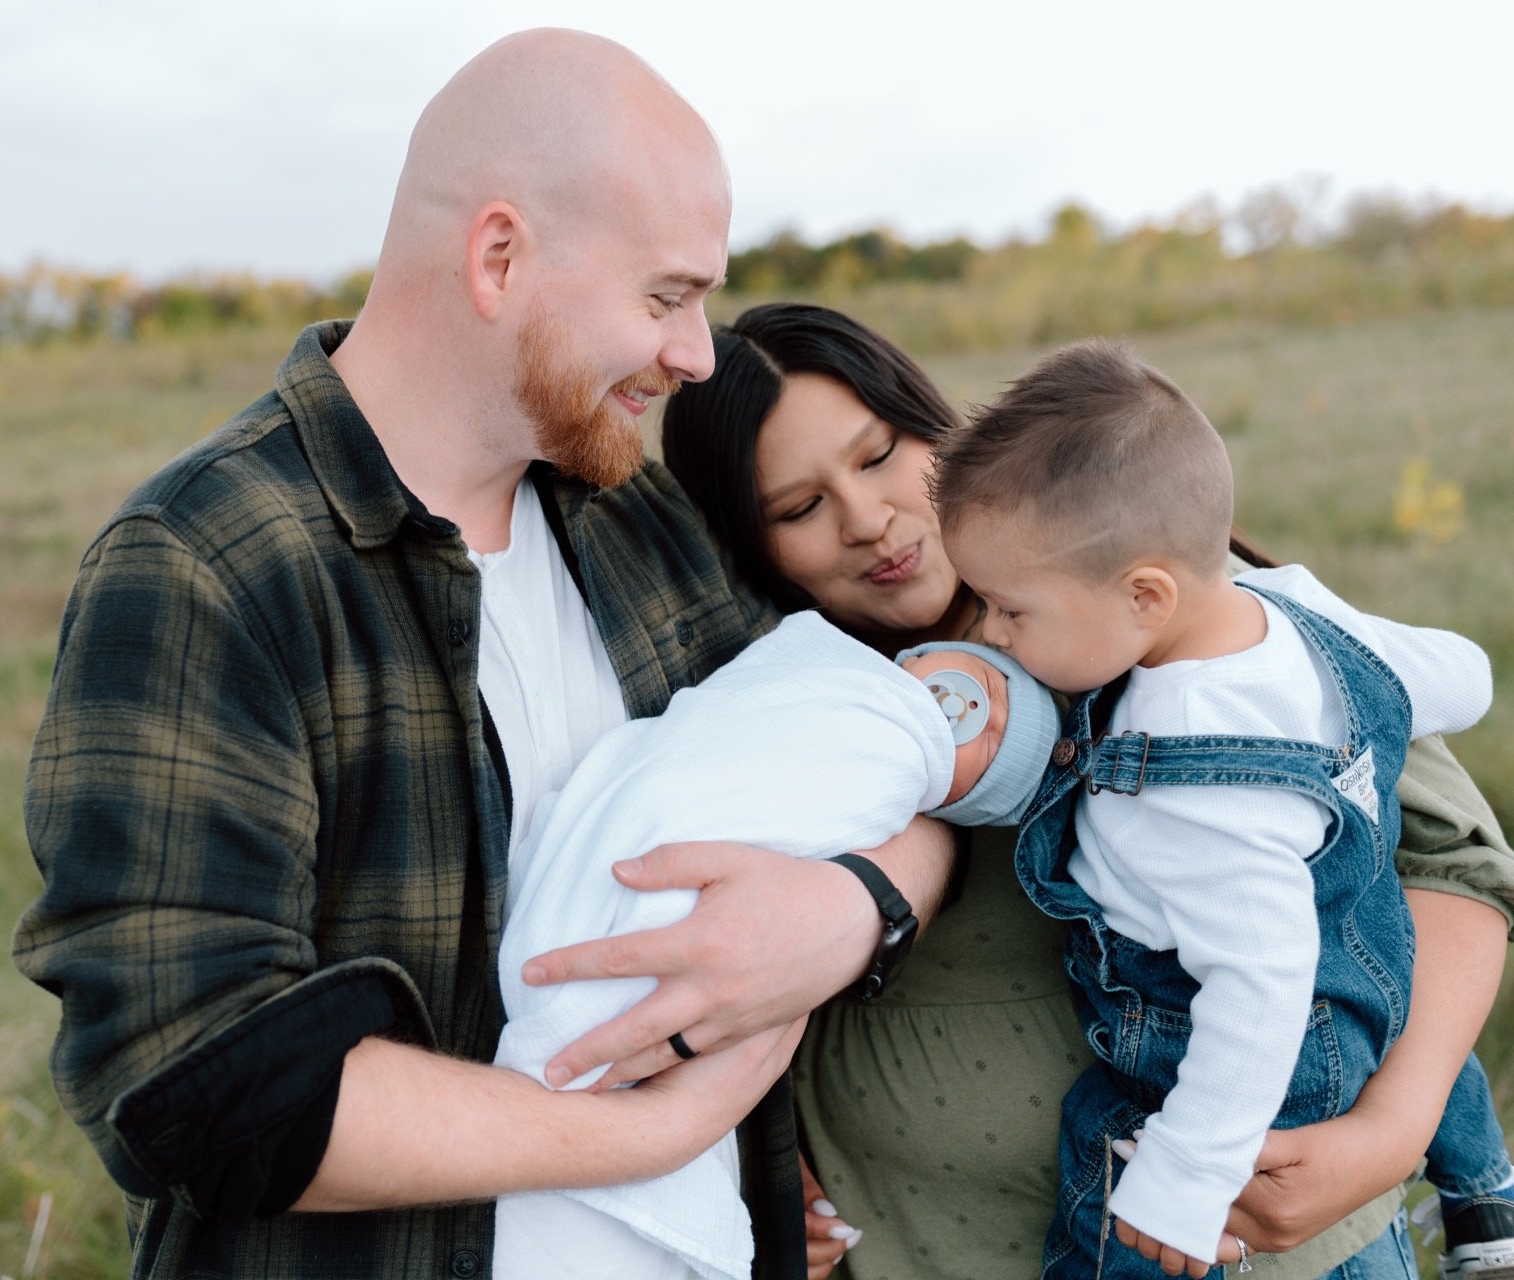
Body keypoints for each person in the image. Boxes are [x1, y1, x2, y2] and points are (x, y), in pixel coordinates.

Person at [13, 34, 953, 1279]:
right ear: (500, 255)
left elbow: (896, 753)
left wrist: (856, 904)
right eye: (666, 296)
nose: (698, 354)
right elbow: (189, 1079)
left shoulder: (646, 525)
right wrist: (633, 1129)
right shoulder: (207, 562)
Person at [659, 303, 1514, 1280]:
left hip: (1251, 1233)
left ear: (935, 425)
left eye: (880, 453)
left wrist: (1395, 1128)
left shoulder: (1156, 604)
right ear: (749, 543)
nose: (866, 519)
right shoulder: (772, 702)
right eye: (798, 508)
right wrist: (760, 1150)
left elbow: (1453, 860)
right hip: (923, 1242)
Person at [929, 338, 1510, 1278]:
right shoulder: (1293, 609)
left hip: (1239, 1046)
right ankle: (1489, 1197)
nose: (991, 630)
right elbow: (1460, 676)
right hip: (1365, 966)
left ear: (1145, 594)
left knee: (1108, 1157)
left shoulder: (1186, 792)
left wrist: (1189, 1173)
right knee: (1385, 984)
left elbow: (1259, 979)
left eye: (1008, 609)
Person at [492, 619, 1061, 1280]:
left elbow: (815, 816)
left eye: (990, 754)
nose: (965, 720)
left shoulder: (898, 770)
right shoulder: (811, 662)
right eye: (991, 697)